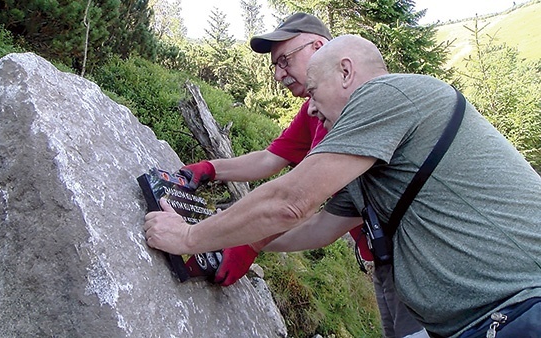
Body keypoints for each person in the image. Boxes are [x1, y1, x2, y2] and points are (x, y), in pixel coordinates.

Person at [144, 34, 541, 337]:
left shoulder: (384, 94)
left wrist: (191, 238)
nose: (311, 108)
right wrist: (242, 239)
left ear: (347, 72)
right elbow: (321, 227)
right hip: (479, 321)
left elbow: (290, 201)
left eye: (314, 93)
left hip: (517, 312)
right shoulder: (369, 156)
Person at [175, 13, 428, 338]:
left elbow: (299, 202)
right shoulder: (314, 111)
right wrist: (211, 170)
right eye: (275, 66)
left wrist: (225, 240)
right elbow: (271, 159)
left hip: (416, 263)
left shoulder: (362, 113)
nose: (280, 74)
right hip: (384, 263)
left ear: (320, 47)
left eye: (284, 60)